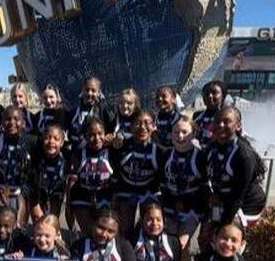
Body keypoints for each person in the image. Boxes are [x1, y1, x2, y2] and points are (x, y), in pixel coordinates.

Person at [202, 106, 267, 247]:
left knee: (223, 240)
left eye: (227, 122)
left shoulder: (244, 155)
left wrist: (219, 225)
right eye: (217, 121)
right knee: (205, 239)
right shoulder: (211, 148)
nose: (220, 125)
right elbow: (202, 177)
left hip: (246, 203)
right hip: (223, 200)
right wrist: (211, 195)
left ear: (238, 126)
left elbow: (237, 197)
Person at [110, 110, 162, 238]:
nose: (142, 127)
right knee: (125, 228)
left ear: (154, 126)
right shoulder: (122, 145)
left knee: (149, 225)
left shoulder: (158, 149)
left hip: (148, 191)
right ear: (131, 126)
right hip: (126, 190)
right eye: (138, 123)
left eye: (147, 123)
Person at [159, 117, 209, 249]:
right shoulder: (166, 154)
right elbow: (162, 185)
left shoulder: (200, 157)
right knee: (167, 245)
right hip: (170, 207)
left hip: (192, 208)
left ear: (193, 134)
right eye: (176, 132)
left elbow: (206, 189)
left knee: (180, 245)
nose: (180, 136)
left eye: (185, 132)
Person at [0, 105, 35, 226]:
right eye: (7, 119)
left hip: (20, 190)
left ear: (23, 123)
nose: (12, 122)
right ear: (1, 122)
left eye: (16, 119)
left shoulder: (32, 141)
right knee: (0, 225)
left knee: (18, 226)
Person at [66, 118, 116, 234]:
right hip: (83, 195)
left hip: (104, 197)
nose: (97, 138)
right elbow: (71, 181)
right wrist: (69, 205)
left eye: (100, 134)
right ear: (85, 136)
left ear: (105, 134)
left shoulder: (112, 152)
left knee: (102, 231)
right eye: (92, 135)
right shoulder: (79, 154)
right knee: (89, 232)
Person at [28, 124, 69, 222]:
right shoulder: (36, 157)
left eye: (56, 139)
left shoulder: (67, 157)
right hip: (37, 193)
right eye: (47, 138)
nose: (51, 141)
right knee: (39, 220)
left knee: (52, 220)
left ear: (62, 142)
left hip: (56, 193)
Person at [67, 76, 115, 149]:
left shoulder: (104, 111)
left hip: (99, 154)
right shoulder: (73, 113)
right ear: (82, 90)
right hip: (77, 153)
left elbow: (114, 129)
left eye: (93, 90)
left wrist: (111, 136)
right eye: (87, 90)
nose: (89, 93)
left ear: (99, 92)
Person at [192, 80, 228, 149]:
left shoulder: (227, 118)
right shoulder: (197, 116)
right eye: (206, 93)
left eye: (214, 93)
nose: (210, 96)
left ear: (223, 96)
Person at [152, 86, 182, 151]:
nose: (160, 99)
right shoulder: (154, 119)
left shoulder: (179, 119)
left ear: (173, 99)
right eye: (157, 97)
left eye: (164, 96)